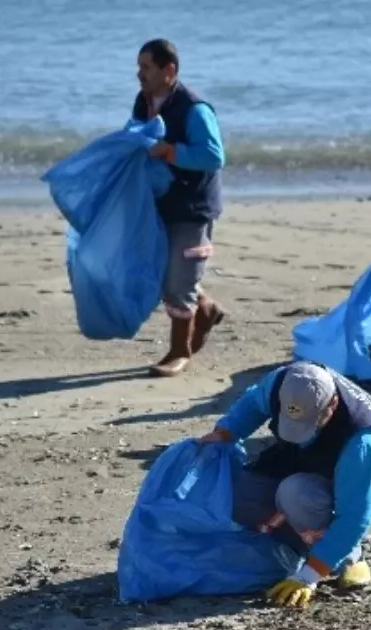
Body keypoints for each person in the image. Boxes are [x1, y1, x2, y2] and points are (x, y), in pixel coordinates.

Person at [199, 362, 371, 608]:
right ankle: (298, 546)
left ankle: (348, 558)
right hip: (301, 454)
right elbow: (253, 404)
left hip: (352, 477)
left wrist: (309, 576)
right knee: (239, 495)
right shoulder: (285, 381)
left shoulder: (360, 439)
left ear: (332, 405)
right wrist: (224, 434)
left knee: (296, 494)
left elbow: (355, 514)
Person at [132, 39, 227, 377]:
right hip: (160, 201)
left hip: (193, 205)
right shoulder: (143, 102)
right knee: (161, 270)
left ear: (168, 70)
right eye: (139, 66)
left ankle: (179, 351)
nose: (138, 73)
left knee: (177, 282)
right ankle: (206, 306)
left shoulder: (195, 109)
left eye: (146, 67)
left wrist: (170, 151)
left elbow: (214, 155)